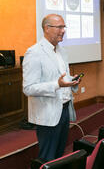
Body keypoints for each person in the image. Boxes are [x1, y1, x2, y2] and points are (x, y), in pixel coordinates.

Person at [23, 14, 81, 162]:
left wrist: (72, 81)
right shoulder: (34, 52)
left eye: (64, 27)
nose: (63, 30)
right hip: (48, 113)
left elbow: (63, 78)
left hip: (64, 109)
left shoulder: (62, 51)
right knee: (48, 158)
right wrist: (57, 85)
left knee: (59, 155)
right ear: (47, 28)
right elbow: (28, 88)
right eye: (59, 27)